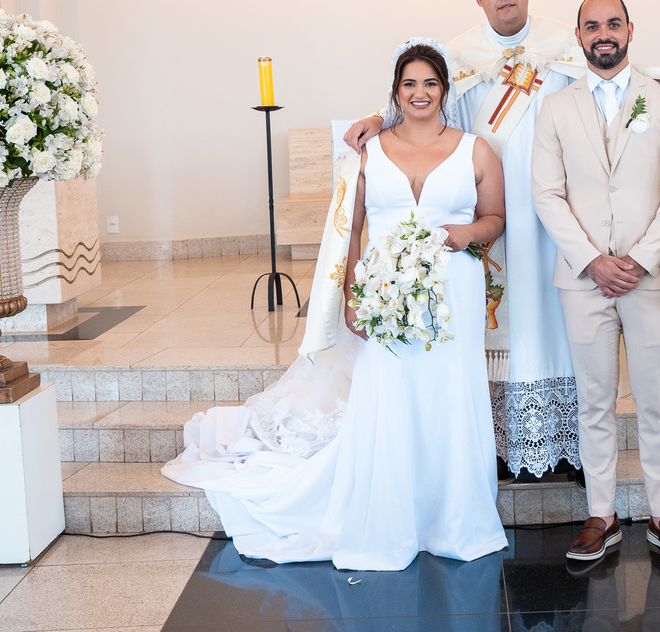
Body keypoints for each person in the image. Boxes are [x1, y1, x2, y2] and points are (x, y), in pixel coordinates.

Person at [163, 40, 509, 571]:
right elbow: (351, 231)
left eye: (430, 83)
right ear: (395, 91)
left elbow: (495, 219)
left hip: (451, 293)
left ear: (445, 90)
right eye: (409, 83)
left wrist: (465, 233)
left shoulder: (475, 150)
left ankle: (452, 516)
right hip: (384, 291)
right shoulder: (369, 150)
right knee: (389, 394)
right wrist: (351, 296)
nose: (420, 93)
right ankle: (391, 513)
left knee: (450, 392)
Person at [345, 0, 586, 479]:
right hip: (484, 206)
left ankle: (564, 442)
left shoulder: (566, 47)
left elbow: (614, 77)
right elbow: (419, 98)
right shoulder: (459, 56)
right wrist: (377, 118)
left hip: (553, 209)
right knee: (497, 326)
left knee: (551, 319)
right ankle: (497, 444)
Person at [532, 0, 660, 565]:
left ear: (629, 30)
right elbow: (546, 194)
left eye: (613, 24)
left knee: (656, 401)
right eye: (592, 25)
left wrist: (642, 258)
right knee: (594, 401)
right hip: (583, 281)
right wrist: (592, 260)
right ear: (578, 36)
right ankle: (601, 515)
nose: (603, 33)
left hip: (650, 277)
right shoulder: (556, 107)